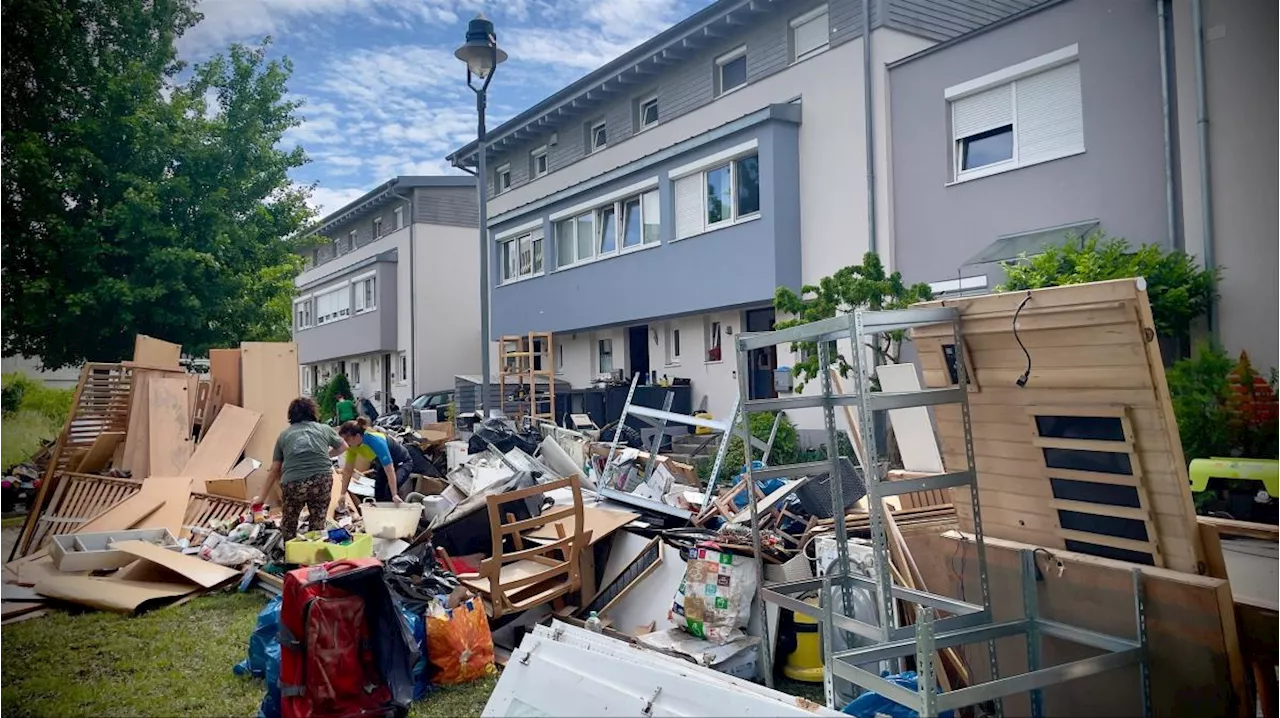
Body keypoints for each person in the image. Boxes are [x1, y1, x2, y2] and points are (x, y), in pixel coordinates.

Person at [265, 397, 345, 540]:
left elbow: (275, 468)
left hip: (293, 483)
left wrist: (261, 497)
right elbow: (343, 446)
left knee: (289, 522)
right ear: (313, 412)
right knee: (318, 523)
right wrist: (327, 455)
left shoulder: (284, 435)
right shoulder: (324, 429)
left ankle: (290, 555)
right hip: (321, 481)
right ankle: (313, 557)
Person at [338, 418, 412, 503]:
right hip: (382, 463)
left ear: (357, 436)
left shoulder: (375, 442)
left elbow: (389, 470)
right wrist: (342, 494)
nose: (345, 443)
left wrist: (394, 494)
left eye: (347, 440)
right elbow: (348, 470)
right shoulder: (351, 447)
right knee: (378, 491)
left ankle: (395, 511)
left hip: (401, 462)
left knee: (389, 490)